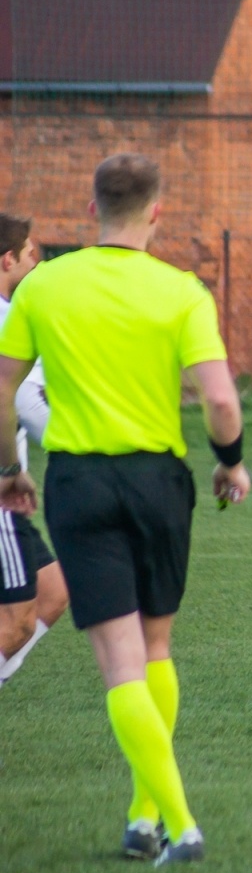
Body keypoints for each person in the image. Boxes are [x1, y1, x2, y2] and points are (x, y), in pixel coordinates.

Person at [0, 153, 252, 866]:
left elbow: (4, 387)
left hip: (80, 482)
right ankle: (150, 819)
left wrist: (11, 471)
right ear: (157, 213)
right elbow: (222, 400)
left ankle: (173, 820)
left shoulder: (44, 284)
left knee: (119, 659)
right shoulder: (181, 291)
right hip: (160, 482)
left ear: (90, 213)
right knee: (157, 646)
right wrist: (231, 463)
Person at [0, 214, 69, 689]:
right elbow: (25, 400)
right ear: (8, 259)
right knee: (16, 623)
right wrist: (85, 446)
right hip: (3, 491)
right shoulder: (11, 320)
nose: (37, 261)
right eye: (30, 253)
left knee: (55, 590)